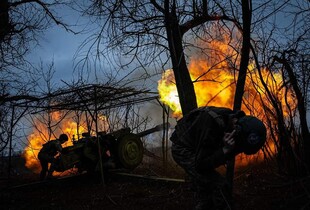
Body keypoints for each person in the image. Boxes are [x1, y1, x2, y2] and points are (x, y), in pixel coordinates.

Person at [170, 106, 266, 210]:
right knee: (219, 185)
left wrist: (224, 152)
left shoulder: (235, 124)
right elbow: (200, 165)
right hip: (183, 148)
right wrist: (224, 151)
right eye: (240, 144)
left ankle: (205, 202)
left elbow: (216, 156)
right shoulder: (212, 123)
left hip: (201, 150)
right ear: (236, 130)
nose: (239, 149)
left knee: (208, 188)